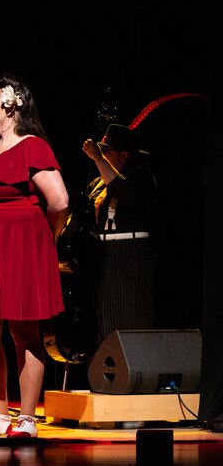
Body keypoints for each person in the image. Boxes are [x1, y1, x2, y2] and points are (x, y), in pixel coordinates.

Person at [0, 74, 69, 438]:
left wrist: (46, 238)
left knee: (23, 331)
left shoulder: (33, 146)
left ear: (10, 105)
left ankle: (27, 420)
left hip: (21, 246)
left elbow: (60, 202)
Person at [81, 123, 157, 343]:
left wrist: (98, 159)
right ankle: (108, 370)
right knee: (105, 316)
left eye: (108, 151)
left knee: (131, 313)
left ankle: (135, 370)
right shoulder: (99, 183)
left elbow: (125, 192)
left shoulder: (141, 177)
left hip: (129, 254)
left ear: (124, 155)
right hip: (104, 252)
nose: (102, 155)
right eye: (102, 151)